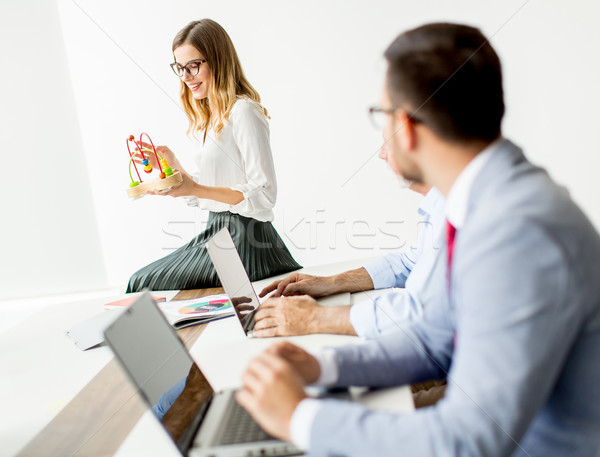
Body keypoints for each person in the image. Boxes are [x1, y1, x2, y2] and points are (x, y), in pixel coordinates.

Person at [235, 23, 600, 456]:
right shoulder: (481, 201)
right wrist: (323, 364)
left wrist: (300, 418)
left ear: (405, 126)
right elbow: (433, 337)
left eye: (382, 114)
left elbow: (468, 443)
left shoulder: (516, 231)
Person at [126, 19, 300, 293]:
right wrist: (173, 167)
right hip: (219, 234)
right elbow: (207, 190)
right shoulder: (210, 119)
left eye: (193, 66)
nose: (186, 76)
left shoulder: (244, 112)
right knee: (141, 282)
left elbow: (264, 194)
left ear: (218, 61)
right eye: (180, 68)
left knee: (141, 284)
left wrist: (194, 187)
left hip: (245, 242)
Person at [253, 182, 445, 339]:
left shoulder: (460, 207)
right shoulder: (441, 201)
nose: (382, 153)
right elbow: (407, 263)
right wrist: (329, 283)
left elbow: (428, 314)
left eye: (389, 140)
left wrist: (314, 317)